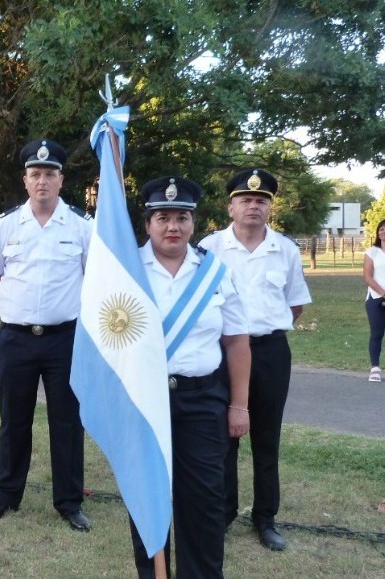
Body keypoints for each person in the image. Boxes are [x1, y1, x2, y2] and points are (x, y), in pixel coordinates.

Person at [129, 176, 250, 579]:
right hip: (145, 401)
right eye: (162, 217)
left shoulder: (214, 272)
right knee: (147, 500)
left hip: (201, 401)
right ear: (148, 224)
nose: (172, 226)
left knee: (203, 500)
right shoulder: (126, 271)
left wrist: (238, 405)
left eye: (181, 217)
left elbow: (236, 343)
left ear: (193, 223)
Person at [0, 139, 94, 531]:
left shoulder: (81, 225)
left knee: (67, 423)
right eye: (35, 174)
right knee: (14, 420)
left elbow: (95, 278)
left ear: (62, 180)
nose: (42, 181)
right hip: (16, 339)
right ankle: (7, 495)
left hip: (65, 340)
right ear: (25, 180)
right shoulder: (7, 224)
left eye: (50, 174)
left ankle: (69, 502)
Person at [199, 168, 312, 552]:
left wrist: (261, 330)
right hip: (220, 352)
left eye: (260, 200)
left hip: (268, 352)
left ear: (269, 208)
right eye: (245, 199)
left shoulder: (286, 249)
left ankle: (266, 518)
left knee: (266, 437)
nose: (253, 205)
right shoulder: (209, 248)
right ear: (230, 206)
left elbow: (294, 305)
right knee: (221, 438)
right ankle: (224, 512)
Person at [363, 218, 385, 382]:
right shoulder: (372, 252)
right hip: (375, 298)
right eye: (381, 229)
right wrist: (383, 292)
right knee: (377, 333)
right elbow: (367, 276)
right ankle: (375, 368)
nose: (383, 231)